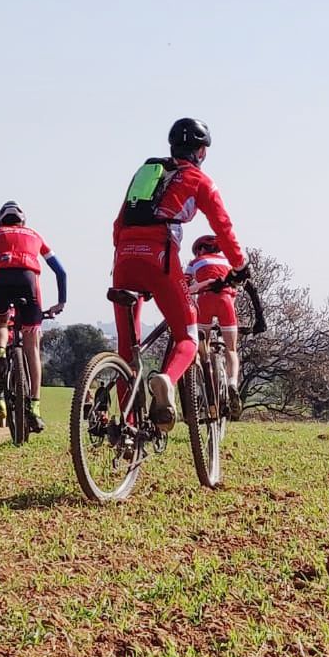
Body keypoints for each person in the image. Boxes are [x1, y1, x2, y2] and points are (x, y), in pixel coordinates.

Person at [111, 118, 248, 429]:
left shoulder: (146, 172)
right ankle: (166, 381)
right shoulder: (199, 180)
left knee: (127, 352)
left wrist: (124, 254)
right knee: (187, 336)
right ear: (201, 151)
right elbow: (223, 229)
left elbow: (119, 222)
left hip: (123, 259)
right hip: (160, 258)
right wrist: (240, 266)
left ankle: (128, 427)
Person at [0, 201, 67, 433]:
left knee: (0, 321)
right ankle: (36, 407)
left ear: (0, 221)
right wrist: (61, 301)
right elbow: (61, 271)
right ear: (23, 221)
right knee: (32, 348)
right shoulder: (35, 235)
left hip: (2, 281)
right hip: (30, 282)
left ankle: (0, 351)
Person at [187, 234, 243, 416]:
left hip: (205, 300)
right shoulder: (228, 261)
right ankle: (232, 383)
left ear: (201, 249)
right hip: (227, 301)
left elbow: (184, 285)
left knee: (202, 349)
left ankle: (203, 386)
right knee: (232, 349)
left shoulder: (195, 262)